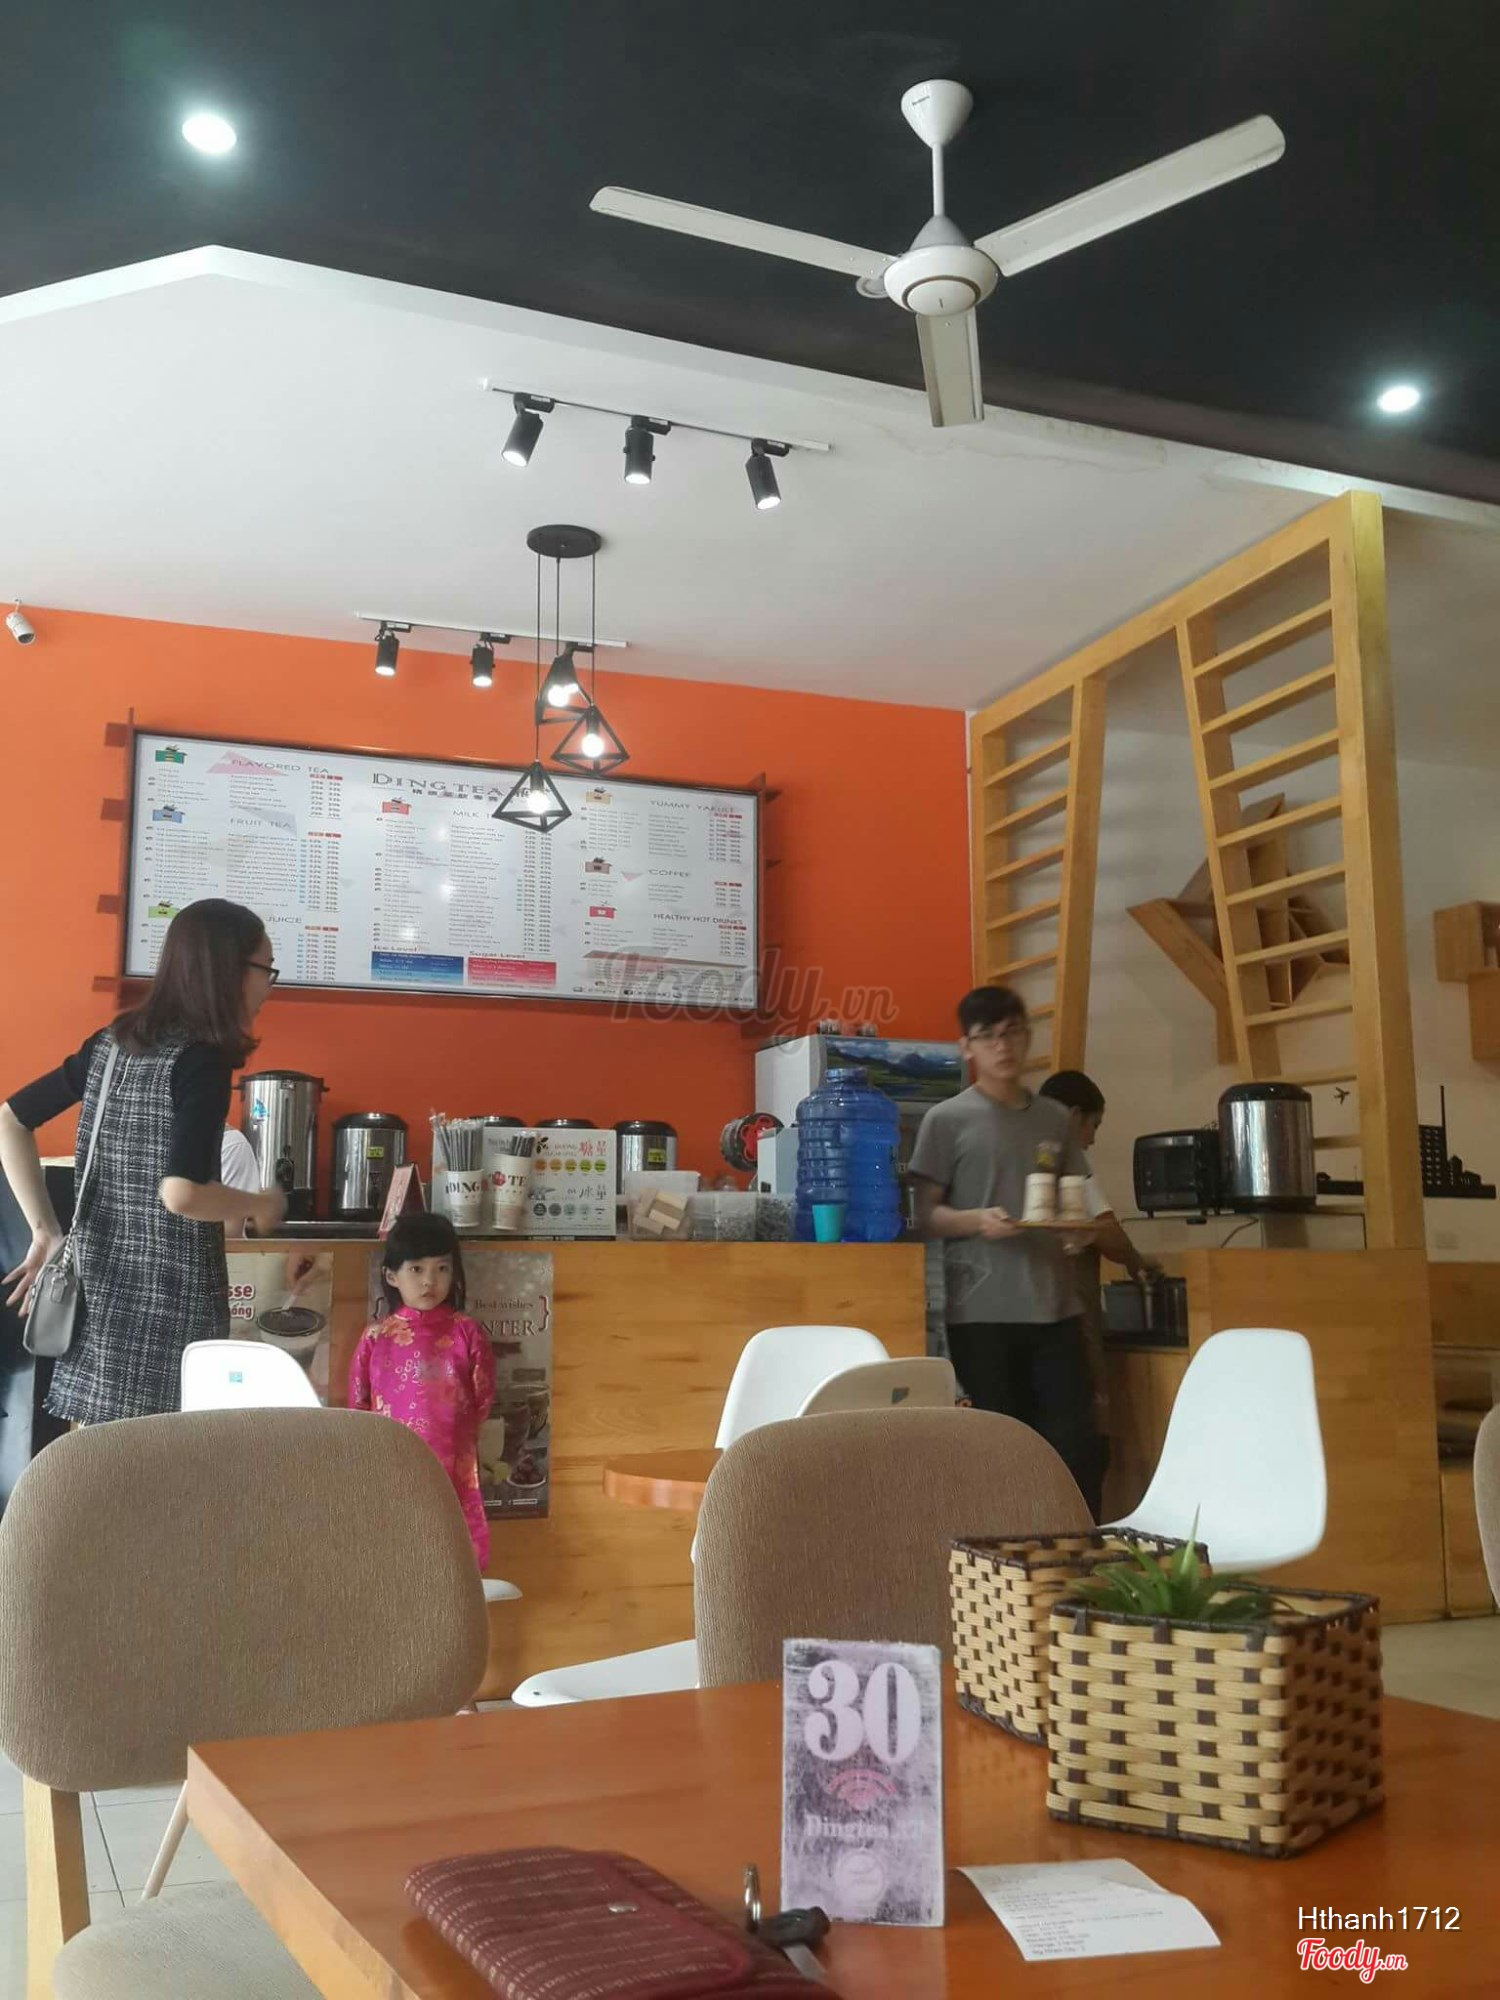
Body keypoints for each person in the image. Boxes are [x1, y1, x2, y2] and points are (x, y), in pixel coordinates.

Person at [0, 899, 285, 1424]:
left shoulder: (110, 1046)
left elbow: (10, 1120)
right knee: (165, 1465)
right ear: (228, 970)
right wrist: (259, 1203)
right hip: (173, 1315)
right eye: (266, 969)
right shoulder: (203, 1059)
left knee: (102, 1460)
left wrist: (45, 1231)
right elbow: (182, 1193)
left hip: (99, 1314)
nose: (269, 986)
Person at [909, 985, 1099, 1509]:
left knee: (1075, 1447)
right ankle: (1004, 1552)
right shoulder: (946, 1120)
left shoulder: (1055, 1119)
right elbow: (924, 1214)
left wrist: (1077, 1230)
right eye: (987, 1036)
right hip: (981, 1313)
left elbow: (1072, 1198)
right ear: (966, 1047)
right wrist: (976, 1221)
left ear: (1027, 1036)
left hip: (1056, 1307)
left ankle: (1076, 1548)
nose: (1002, 1045)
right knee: (1001, 1449)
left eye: (1012, 1031)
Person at [1038, 1068, 1162, 1518]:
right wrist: (1137, 1262)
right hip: (1068, 1327)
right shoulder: (1070, 1164)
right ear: (1074, 1116)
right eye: (1094, 1125)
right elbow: (1107, 1231)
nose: (1091, 1140)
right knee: (1086, 1453)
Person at [348, 1213, 495, 1567]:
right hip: (391, 1461)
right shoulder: (375, 1337)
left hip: (454, 1462)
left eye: (442, 1268)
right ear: (391, 1276)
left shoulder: (467, 1332)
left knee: (453, 1554)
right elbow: (358, 1403)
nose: (430, 1280)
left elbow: (483, 1397)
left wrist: (456, 1435)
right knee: (396, 1551)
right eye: (416, 1269)